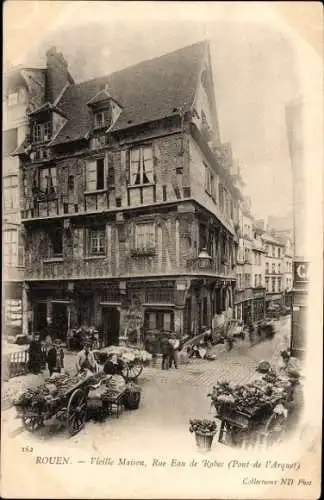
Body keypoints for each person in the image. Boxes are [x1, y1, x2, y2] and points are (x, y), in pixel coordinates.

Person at [284, 369, 304, 434]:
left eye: (290, 377)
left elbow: (297, 403)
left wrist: (285, 404)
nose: (288, 379)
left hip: (295, 413)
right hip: (293, 412)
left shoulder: (297, 388)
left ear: (295, 378)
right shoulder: (293, 386)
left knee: (290, 429)